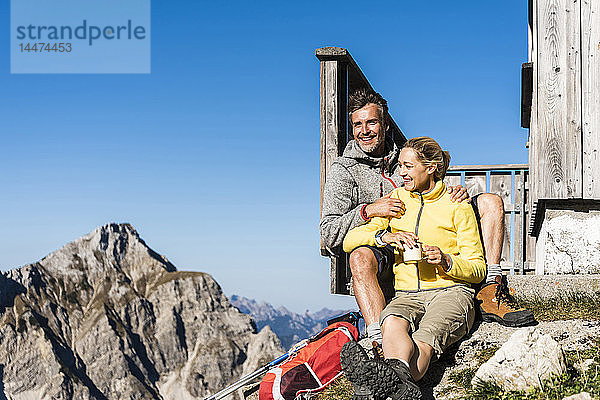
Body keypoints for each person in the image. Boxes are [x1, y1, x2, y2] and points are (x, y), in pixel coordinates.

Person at [319, 89, 534, 347]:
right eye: (358, 124)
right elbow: (329, 233)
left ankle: (490, 287)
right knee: (359, 256)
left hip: (426, 246)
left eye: (371, 122)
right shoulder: (343, 171)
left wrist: (452, 190)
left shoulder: (407, 156)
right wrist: (369, 211)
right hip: (382, 248)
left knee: (490, 202)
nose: (364, 130)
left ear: (385, 125)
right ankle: (377, 341)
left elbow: (432, 194)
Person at [340, 136, 486, 400]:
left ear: (430, 168)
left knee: (427, 335)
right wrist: (384, 237)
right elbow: (349, 241)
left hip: (451, 292)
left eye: (408, 166)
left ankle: (377, 387)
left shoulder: (456, 205)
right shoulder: (396, 201)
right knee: (392, 322)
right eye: (400, 166)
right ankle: (398, 386)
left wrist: (446, 260)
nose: (401, 172)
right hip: (407, 294)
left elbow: (477, 268)